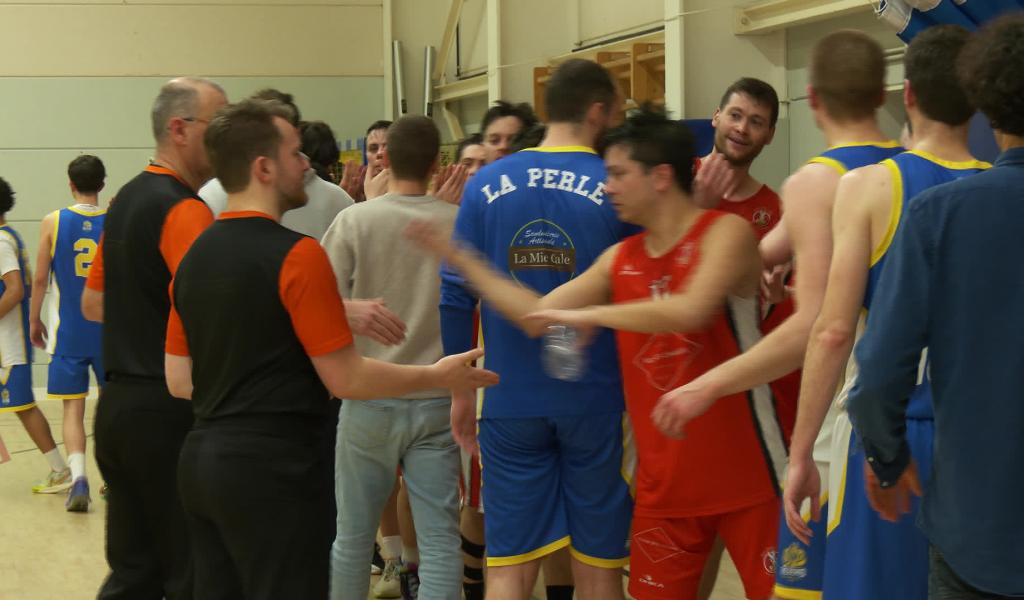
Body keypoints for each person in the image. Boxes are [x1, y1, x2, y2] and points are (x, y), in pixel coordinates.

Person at [411, 104, 786, 599]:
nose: (605, 186)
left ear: (659, 177)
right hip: (664, 482)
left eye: (616, 174)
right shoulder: (620, 258)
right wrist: (465, 261)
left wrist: (590, 315)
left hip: (748, 474)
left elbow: (690, 309)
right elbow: (537, 316)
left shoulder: (725, 233)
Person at [165, 99, 497, 600]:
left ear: (388, 161)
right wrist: (439, 375)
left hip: (209, 455)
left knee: (342, 541)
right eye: (297, 153)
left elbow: (179, 379)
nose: (308, 164)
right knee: (434, 540)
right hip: (300, 448)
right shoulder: (297, 255)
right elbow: (341, 373)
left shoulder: (195, 258)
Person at [653, 31, 905, 600]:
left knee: (804, 585)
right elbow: (752, 265)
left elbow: (821, 327)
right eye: (736, 116)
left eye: (756, 120)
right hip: (906, 408)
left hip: (835, 411)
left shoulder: (809, 183)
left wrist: (710, 389)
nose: (742, 128)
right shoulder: (909, 168)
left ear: (808, 101)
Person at [782, 26, 988, 600]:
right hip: (979, 443)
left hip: (887, 439)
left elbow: (832, 332)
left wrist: (801, 453)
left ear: (909, 96)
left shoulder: (871, 185)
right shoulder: (1000, 189)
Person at [440, 58, 631, 600]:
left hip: (507, 397)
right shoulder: (616, 185)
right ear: (597, 110)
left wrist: (461, 389)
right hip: (595, 397)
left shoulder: (487, 184)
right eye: (617, 107)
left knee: (510, 565)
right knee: (598, 567)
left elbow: (455, 291)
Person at [847, 18, 1024, 599]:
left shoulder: (940, 216)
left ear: (985, 103)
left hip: (976, 531)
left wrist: (888, 458)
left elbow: (878, 370)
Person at [81, 76, 227, 599]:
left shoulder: (125, 200)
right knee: (187, 571)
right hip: (166, 411)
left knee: (133, 572)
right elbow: (219, 306)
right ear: (180, 129)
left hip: (117, 406)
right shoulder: (184, 210)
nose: (226, 135)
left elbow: (92, 303)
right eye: (219, 122)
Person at [323, 115, 463, 600]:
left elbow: (318, 306)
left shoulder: (354, 220)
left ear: (383, 158)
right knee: (441, 540)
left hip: (369, 395)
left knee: (353, 538)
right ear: (437, 163)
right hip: (437, 399)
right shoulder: (459, 223)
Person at [28, 154, 107, 512]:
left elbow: (41, 279)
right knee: (111, 407)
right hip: (108, 330)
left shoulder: (53, 221)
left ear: (70, 184)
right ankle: (114, 479)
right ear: (102, 185)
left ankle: (78, 478)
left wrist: (33, 320)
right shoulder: (115, 221)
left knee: (73, 409)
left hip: (69, 330)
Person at [198, 92, 355, 240]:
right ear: (264, 168)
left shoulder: (336, 200)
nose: (306, 164)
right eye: (294, 153)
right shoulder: (208, 199)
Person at [0, 177, 69, 496]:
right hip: (6, 344)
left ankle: (60, 470)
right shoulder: (6, 236)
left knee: (25, 406)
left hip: (9, 347)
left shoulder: (1, 242)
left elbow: (14, 290)